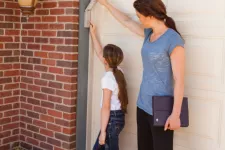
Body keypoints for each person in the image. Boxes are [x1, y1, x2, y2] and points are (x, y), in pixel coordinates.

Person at [97, 0, 185, 150]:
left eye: (139, 16)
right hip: (142, 105)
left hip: (161, 109)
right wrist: (106, 4)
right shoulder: (149, 34)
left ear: (149, 15)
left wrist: (176, 114)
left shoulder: (173, 39)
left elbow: (180, 79)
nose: (138, 19)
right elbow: (126, 21)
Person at [90, 23, 129, 150]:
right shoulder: (118, 71)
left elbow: (106, 106)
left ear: (105, 60)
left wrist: (103, 132)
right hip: (118, 118)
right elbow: (99, 52)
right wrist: (93, 34)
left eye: (103, 57)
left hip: (111, 121)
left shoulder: (107, 78)